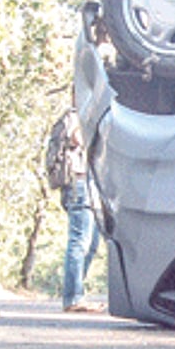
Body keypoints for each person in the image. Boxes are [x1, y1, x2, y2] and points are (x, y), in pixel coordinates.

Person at [60, 93, 101, 313]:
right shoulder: (75, 116)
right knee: (79, 241)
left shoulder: (80, 115)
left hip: (87, 183)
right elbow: (79, 139)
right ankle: (73, 298)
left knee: (92, 242)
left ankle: (77, 293)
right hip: (78, 181)